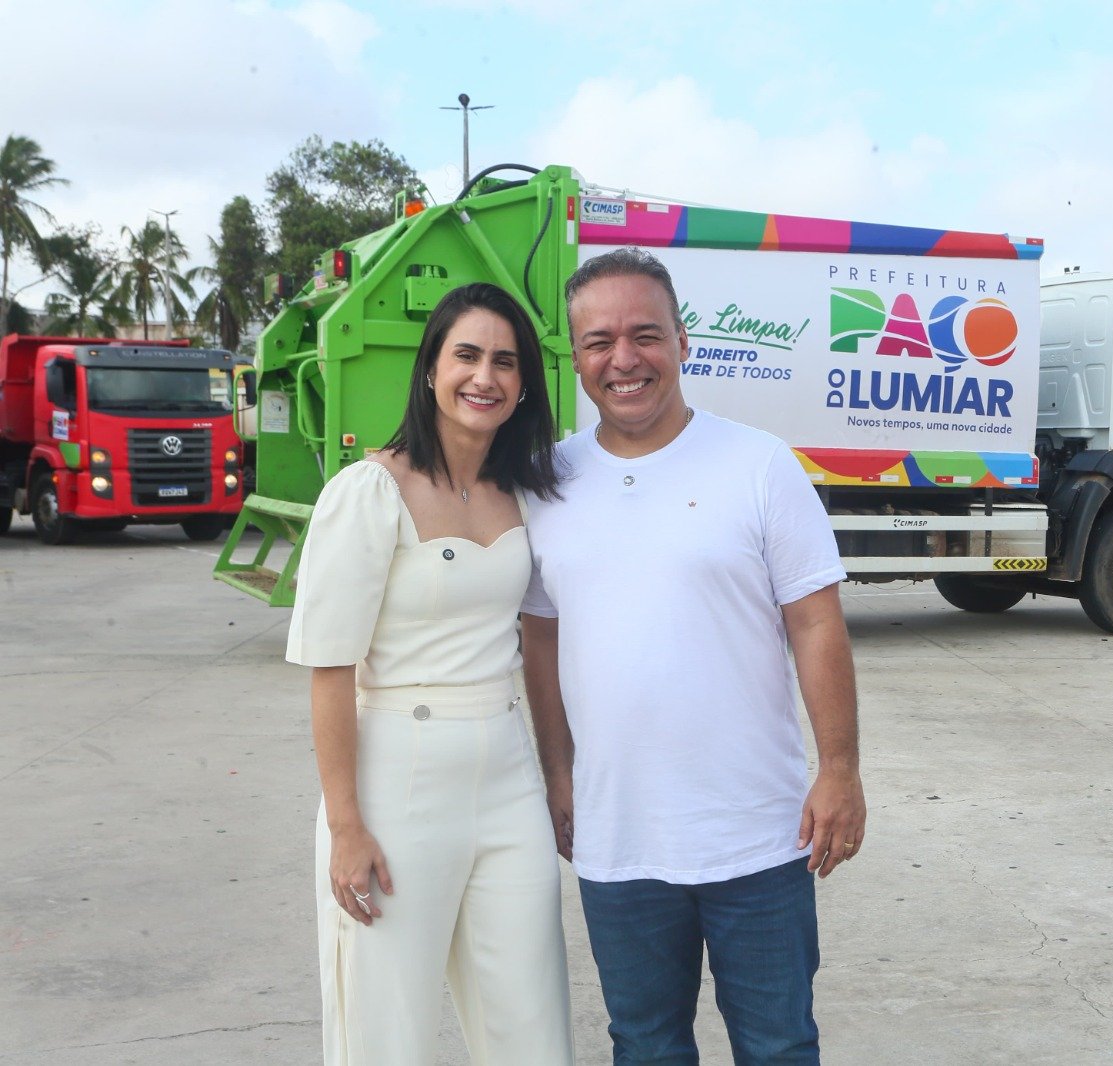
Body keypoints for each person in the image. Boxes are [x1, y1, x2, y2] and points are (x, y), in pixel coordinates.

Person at [520, 247, 867, 1064]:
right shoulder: (549, 482)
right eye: (600, 341)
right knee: (644, 1044)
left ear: (684, 341)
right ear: (578, 359)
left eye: (645, 334)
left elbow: (817, 626)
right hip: (619, 835)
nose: (624, 358)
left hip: (758, 833)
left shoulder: (758, 466)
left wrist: (840, 768)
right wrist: (559, 774)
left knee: (779, 1046)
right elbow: (540, 639)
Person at [286, 283, 574, 1065]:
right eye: (467, 355)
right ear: (430, 370)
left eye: (506, 362)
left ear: (524, 386)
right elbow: (329, 672)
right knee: (387, 1030)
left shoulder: (524, 491)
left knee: (533, 1026)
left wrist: (557, 775)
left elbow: (543, 639)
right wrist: (346, 826)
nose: (486, 377)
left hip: (507, 774)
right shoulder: (369, 493)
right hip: (397, 779)